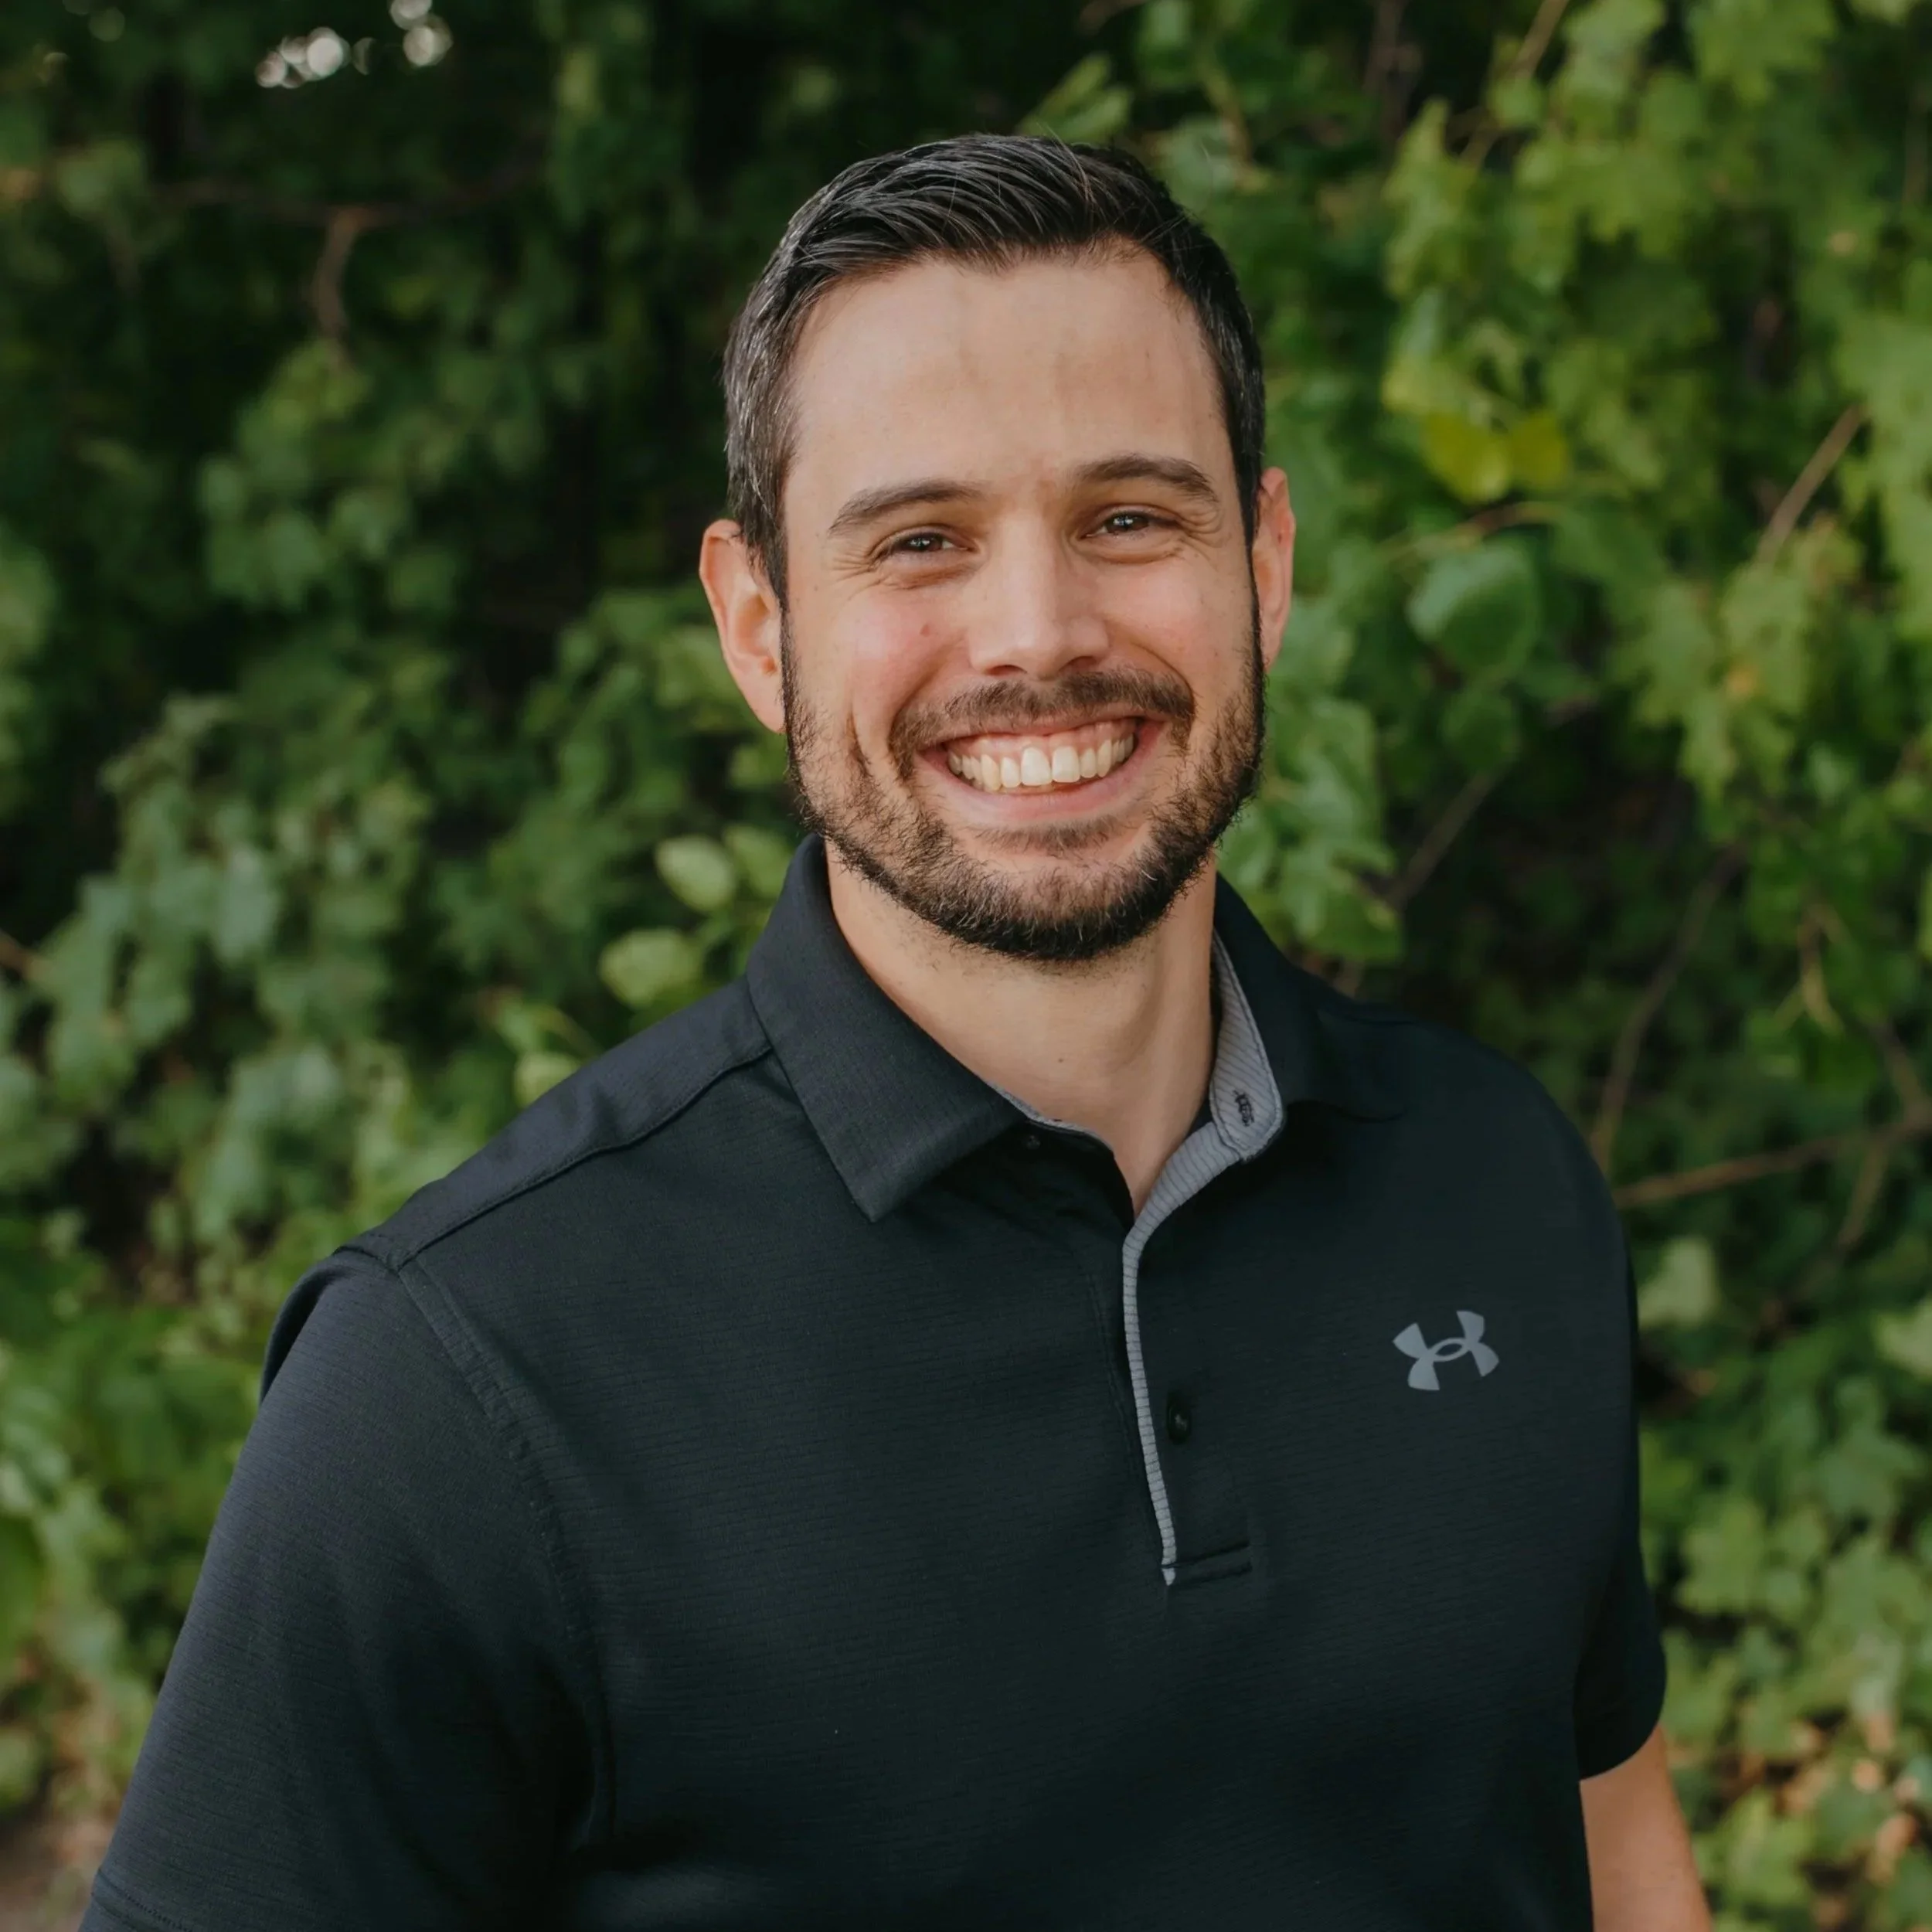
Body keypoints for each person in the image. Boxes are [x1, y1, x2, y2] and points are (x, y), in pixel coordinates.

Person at [82, 135, 1709, 1931]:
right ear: (759, 626)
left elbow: (1617, 1857)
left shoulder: (1493, 1185)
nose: (1036, 633)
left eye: (1129, 518)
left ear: (1264, 560)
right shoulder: (462, 1374)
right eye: (920, 540)